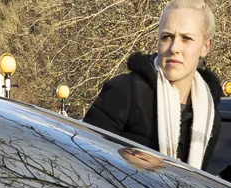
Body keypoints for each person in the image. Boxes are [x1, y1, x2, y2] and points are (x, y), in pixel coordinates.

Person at [84, 0, 223, 173]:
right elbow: (85, 156)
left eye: (186, 39)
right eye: (166, 37)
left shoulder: (208, 116)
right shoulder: (125, 91)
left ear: (205, 47)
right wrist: (128, 165)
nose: (174, 48)